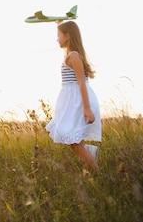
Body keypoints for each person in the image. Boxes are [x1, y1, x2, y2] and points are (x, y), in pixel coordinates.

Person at [45, 20, 101, 172]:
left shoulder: (74, 56)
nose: (57, 39)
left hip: (79, 102)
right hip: (73, 102)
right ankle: (90, 154)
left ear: (68, 36)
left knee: (72, 140)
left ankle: (96, 173)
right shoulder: (70, 55)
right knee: (70, 139)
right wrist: (60, 24)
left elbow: (81, 83)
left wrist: (87, 109)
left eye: (59, 35)